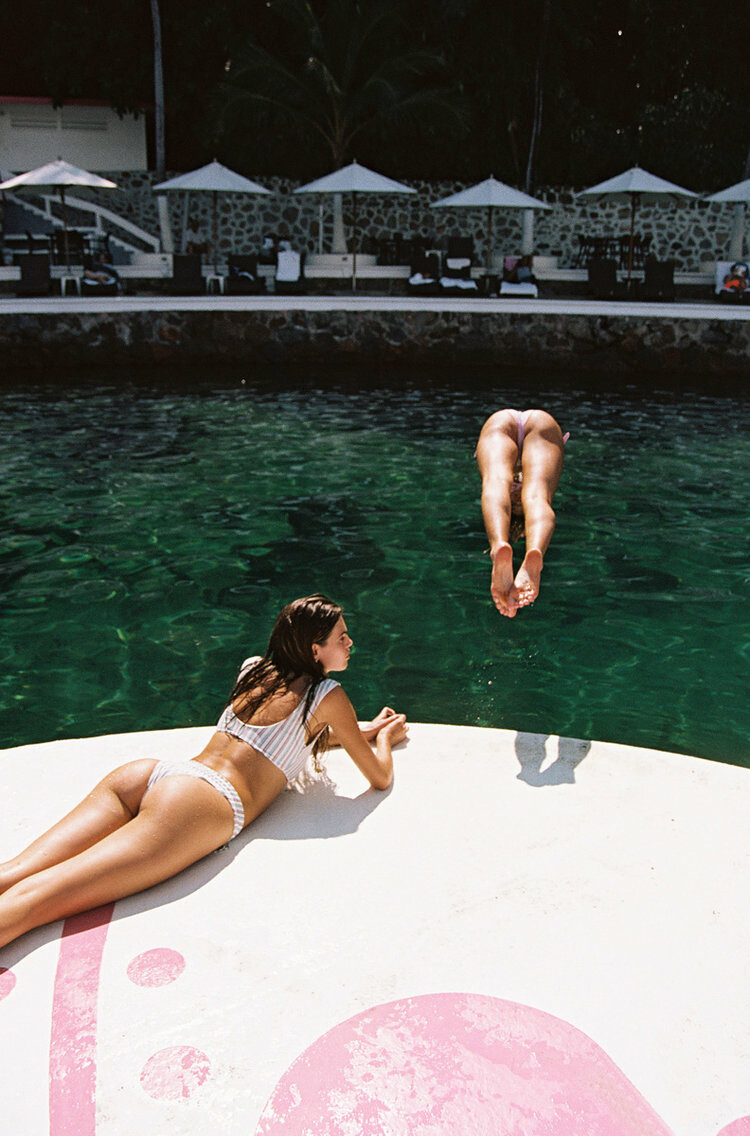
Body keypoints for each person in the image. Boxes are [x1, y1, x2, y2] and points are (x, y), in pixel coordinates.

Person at [0, 595, 408, 950]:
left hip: (151, 775)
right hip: (198, 804)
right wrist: (384, 740)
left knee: (15, 874)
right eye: (342, 637)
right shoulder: (328, 695)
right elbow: (379, 778)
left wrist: (360, 731)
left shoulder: (254, 669)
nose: (350, 643)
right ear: (315, 649)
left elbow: (280, 739)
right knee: (37, 900)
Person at [475, 409, 568, 618]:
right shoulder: (519, 498)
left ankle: (501, 546)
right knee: (535, 497)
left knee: (496, 483)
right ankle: (530, 550)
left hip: (503, 423)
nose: (517, 499)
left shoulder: (507, 496)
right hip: (531, 423)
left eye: (513, 503)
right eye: (520, 505)